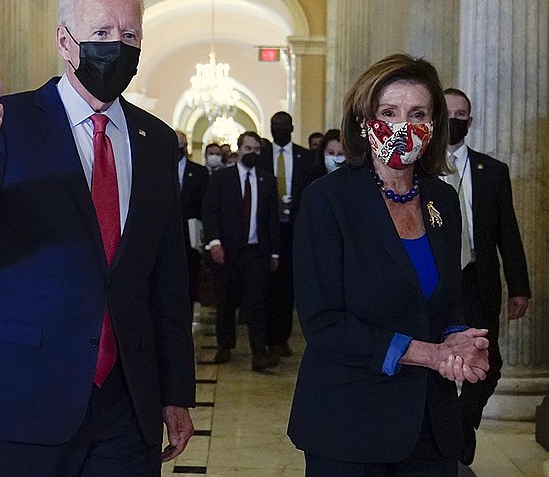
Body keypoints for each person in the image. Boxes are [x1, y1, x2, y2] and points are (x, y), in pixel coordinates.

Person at [0, 0, 195, 475]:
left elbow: (167, 278)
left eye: (129, 36)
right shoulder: (9, 124)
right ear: (65, 40)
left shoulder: (156, 140)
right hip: (29, 391)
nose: (116, 47)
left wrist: (175, 392)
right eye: (101, 33)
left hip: (129, 400)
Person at [287, 54, 490, 476]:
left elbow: (444, 299)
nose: (403, 125)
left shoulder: (442, 200)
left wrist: (457, 344)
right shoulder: (328, 200)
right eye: (388, 112)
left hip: (430, 425)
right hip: (349, 422)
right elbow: (323, 322)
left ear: (433, 126)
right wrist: (427, 354)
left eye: (417, 113)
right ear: (365, 121)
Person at [442, 87, 531, 466]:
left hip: (479, 279)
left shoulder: (492, 171)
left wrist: (519, 286)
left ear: (470, 120)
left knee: (487, 365)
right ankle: (444, 436)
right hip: (436, 280)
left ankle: (460, 423)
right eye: (447, 113)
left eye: (461, 114)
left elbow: (507, 232)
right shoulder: (420, 169)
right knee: (441, 361)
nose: (454, 120)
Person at [202, 131, 281, 371]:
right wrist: (214, 242)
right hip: (228, 250)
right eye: (248, 149)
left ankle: (259, 351)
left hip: (256, 251)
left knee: (256, 302)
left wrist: (275, 252)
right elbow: (210, 211)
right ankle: (224, 346)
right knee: (226, 301)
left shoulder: (267, 181)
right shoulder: (222, 179)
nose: (252, 154)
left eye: (256, 150)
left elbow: (272, 219)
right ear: (239, 149)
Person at [258, 111, 313, 357]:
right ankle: (265, 338)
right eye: (275, 125)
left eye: (283, 125)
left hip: (294, 228)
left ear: (292, 127)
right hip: (266, 229)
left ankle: (282, 338)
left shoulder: (306, 157)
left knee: (288, 287)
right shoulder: (261, 156)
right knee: (266, 286)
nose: (279, 128)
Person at [176, 130, 208, 308]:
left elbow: (204, 205)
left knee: (188, 285)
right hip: (166, 236)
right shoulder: (159, 169)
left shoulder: (199, 172)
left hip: (190, 238)